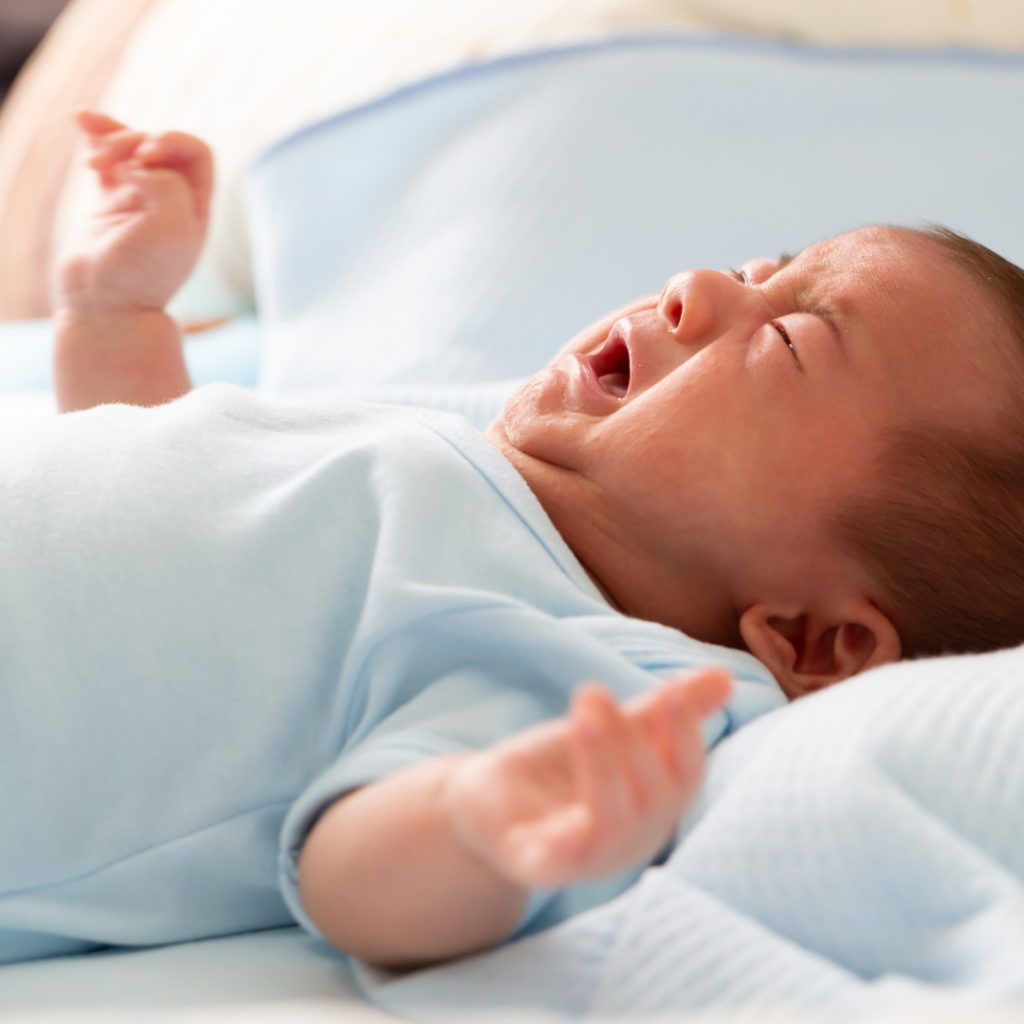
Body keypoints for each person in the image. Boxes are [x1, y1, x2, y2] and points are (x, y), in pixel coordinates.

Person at [9, 109, 1024, 970]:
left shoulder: (587, 659)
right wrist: (117, 318)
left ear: (815, 640)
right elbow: (157, 520)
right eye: (763, 268)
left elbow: (349, 866)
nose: (696, 287)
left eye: (786, 339)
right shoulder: (458, 468)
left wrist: (484, 826)